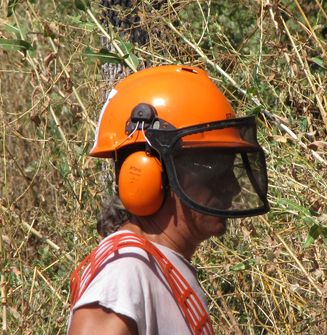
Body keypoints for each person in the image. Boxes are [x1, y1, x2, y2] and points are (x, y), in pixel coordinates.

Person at [67, 65, 269, 335]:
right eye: (214, 169)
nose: (232, 186)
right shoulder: (125, 273)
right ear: (150, 171)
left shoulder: (156, 266)